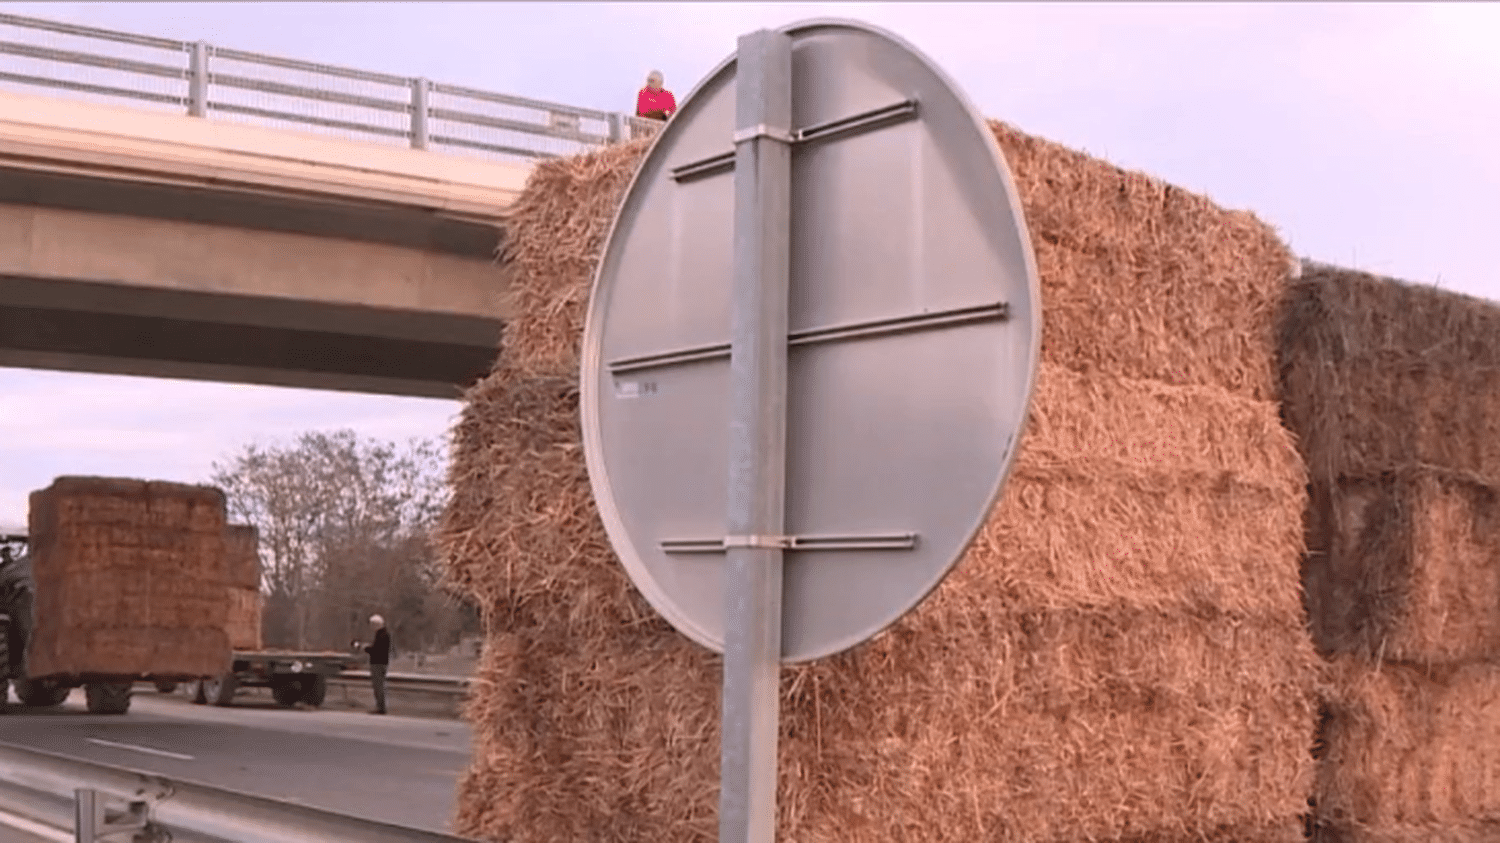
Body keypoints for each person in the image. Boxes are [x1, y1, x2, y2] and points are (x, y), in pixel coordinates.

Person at [363, 614, 391, 715]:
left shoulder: (381, 635)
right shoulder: (384, 634)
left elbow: (377, 650)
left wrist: (366, 648)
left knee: (378, 686)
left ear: (376, 624)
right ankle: (380, 706)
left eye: (372, 624)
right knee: (379, 686)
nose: (371, 627)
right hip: (382, 662)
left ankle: (381, 708)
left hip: (378, 663)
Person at [635, 70, 676, 136]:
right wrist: (662, 110)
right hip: (645, 129)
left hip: (662, 131)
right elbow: (643, 111)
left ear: (660, 83)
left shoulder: (668, 95)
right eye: (648, 80)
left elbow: (673, 116)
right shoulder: (643, 93)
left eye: (651, 81)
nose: (648, 84)